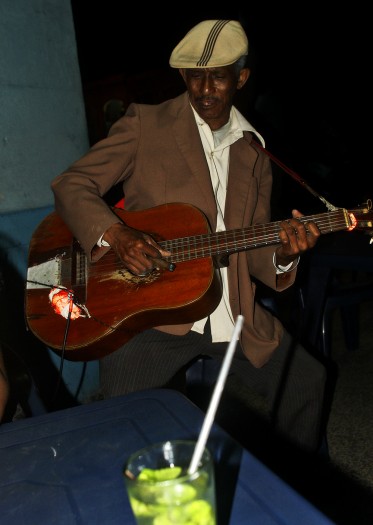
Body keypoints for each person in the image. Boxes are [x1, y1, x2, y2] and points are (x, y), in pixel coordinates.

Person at [51, 19, 327, 453]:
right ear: (182, 77)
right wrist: (118, 236)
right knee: (125, 426)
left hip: (232, 315)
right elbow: (71, 185)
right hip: (151, 314)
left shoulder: (255, 152)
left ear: (242, 77)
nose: (205, 89)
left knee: (306, 379)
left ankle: (292, 495)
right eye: (195, 76)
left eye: (218, 75)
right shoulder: (147, 124)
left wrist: (285, 255)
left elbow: (254, 247)